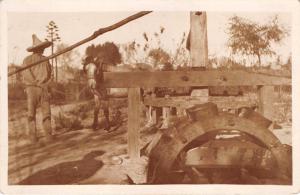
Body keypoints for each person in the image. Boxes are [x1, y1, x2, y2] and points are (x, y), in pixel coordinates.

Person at [22, 34, 54, 144]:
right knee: (40, 113)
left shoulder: (31, 60)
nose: (43, 50)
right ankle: (41, 137)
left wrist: (39, 83)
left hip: (36, 88)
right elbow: (49, 74)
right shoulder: (38, 60)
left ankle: (39, 137)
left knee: (38, 113)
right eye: (42, 48)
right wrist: (41, 83)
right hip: (37, 88)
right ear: (38, 49)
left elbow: (26, 74)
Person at [82, 56, 111, 131]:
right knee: (97, 104)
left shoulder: (93, 67)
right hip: (94, 82)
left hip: (97, 84)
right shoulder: (91, 66)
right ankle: (96, 123)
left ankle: (106, 123)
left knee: (103, 102)